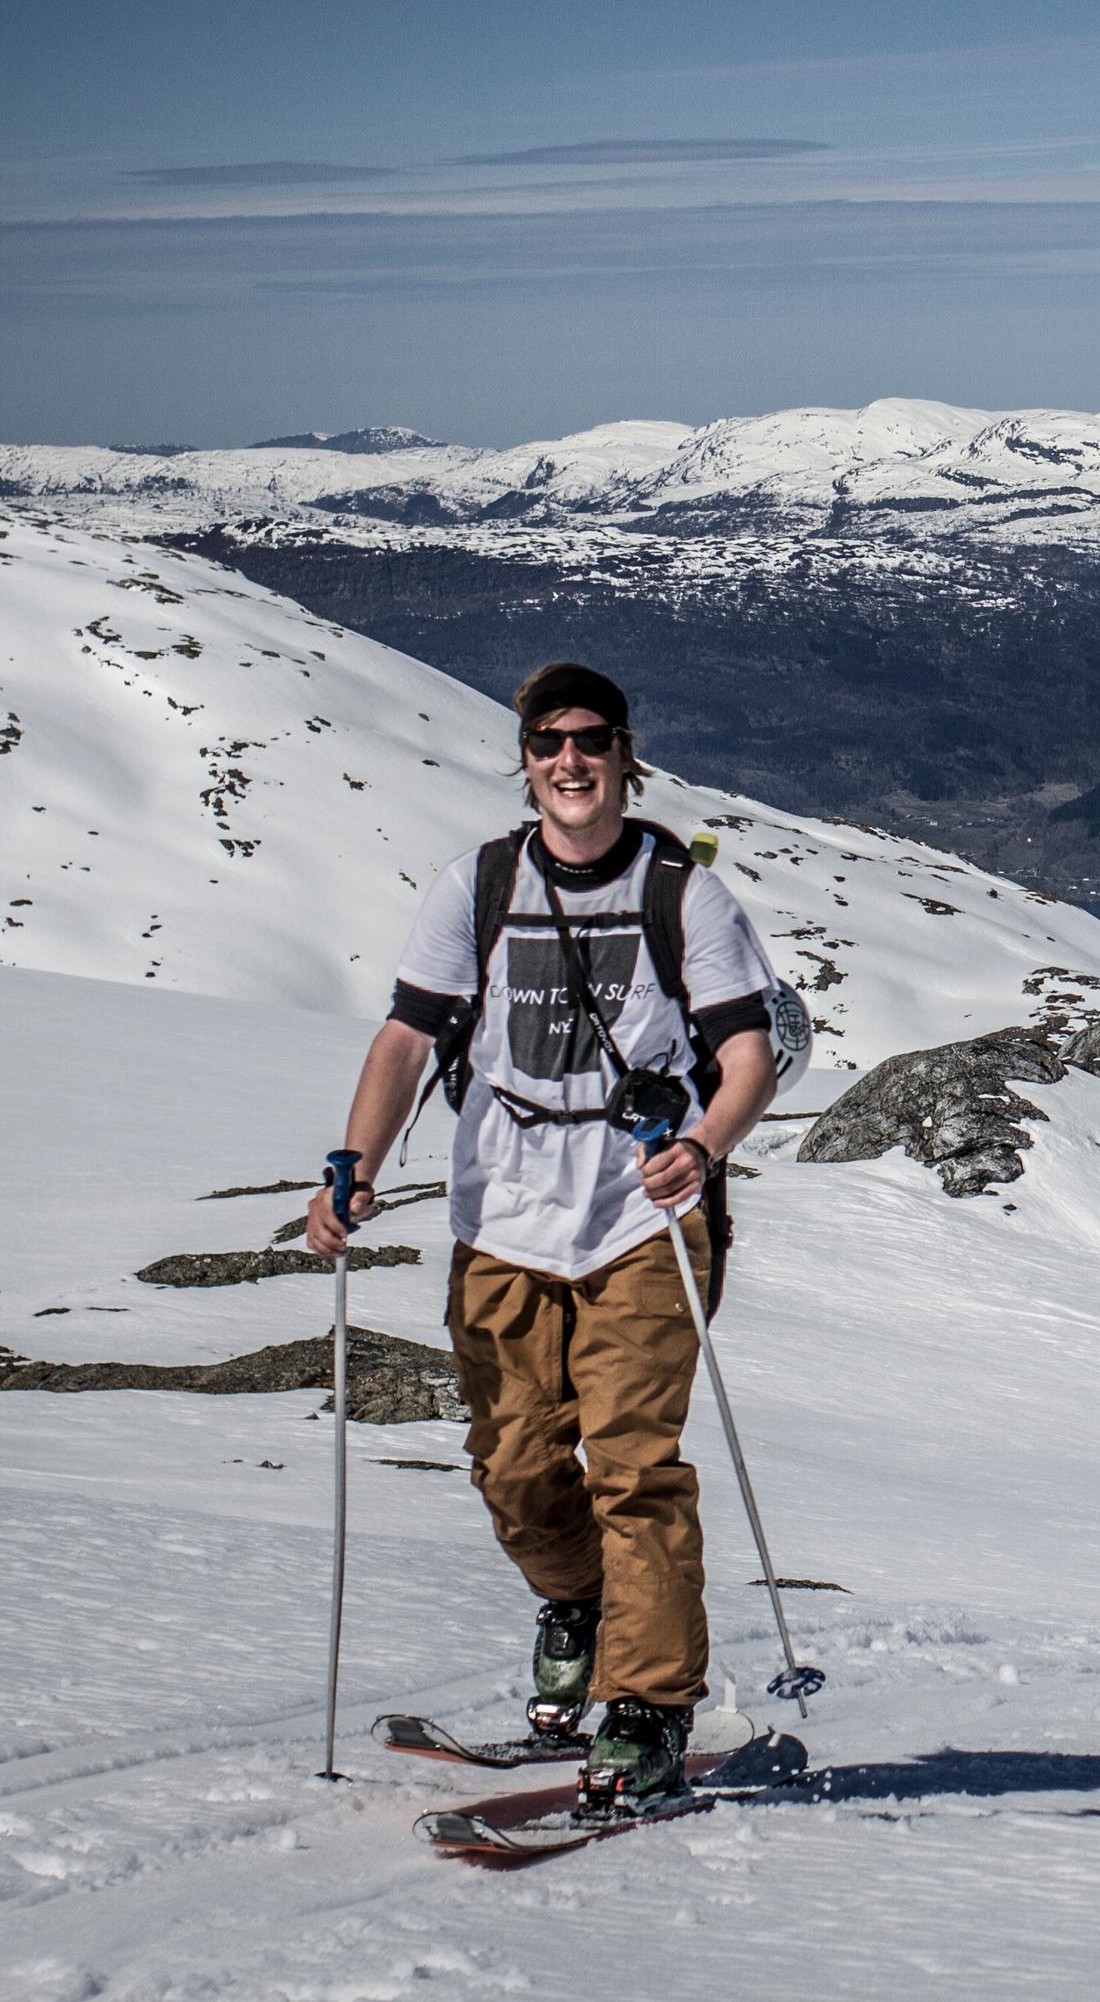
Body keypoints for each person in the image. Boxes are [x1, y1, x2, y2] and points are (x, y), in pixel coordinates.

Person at [307, 661, 779, 1808]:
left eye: (591, 739)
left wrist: (703, 1144)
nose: (570, 759)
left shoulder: (686, 897)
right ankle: (580, 1602)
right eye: (548, 741)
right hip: (503, 1217)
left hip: (641, 1217)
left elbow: (749, 1054)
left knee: (633, 1468)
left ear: (625, 756)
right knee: (514, 1467)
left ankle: (648, 1709)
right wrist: (354, 1166)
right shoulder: (477, 887)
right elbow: (406, 1039)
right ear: (525, 761)